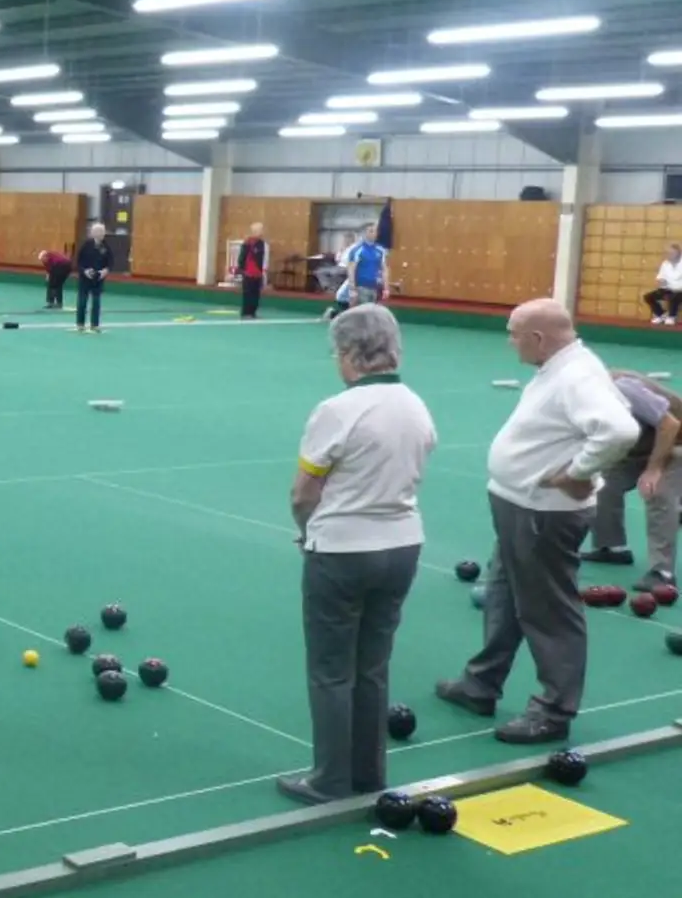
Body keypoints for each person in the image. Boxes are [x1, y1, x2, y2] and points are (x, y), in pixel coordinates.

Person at [436, 299, 639, 743]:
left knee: (549, 611)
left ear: (538, 338)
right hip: (520, 505)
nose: (510, 343)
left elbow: (620, 429)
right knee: (504, 594)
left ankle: (553, 710)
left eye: (513, 334)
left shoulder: (577, 375)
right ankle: (481, 684)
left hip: (543, 514)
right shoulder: (562, 368)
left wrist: (577, 473)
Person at [281, 305, 437, 804]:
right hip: (403, 544)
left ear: (349, 353)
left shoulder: (337, 410)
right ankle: (369, 773)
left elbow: (304, 493)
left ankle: (329, 778)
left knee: (331, 668)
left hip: (344, 549)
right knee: (373, 664)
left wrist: (307, 533)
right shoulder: (416, 404)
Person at [582, 370, 681, 595]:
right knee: (602, 482)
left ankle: (662, 573)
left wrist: (653, 469)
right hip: (643, 443)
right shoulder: (574, 399)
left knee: (659, 492)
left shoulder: (623, 389)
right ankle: (612, 547)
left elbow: (670, 425)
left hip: (676, 439)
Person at [330, 224, 388, 320]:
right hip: (361, 286)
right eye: (371, 231)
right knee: (361, 315)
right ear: (365, 233)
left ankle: (338, 315)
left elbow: (384, 269)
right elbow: (351, 269)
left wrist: (386, 288)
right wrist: (352, 288)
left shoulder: (380, 250)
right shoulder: (357, 250)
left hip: (373, 287)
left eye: (375, 231)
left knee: (370, 314)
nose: (374, 233)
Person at [75, 223, 110, 333]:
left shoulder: (106, 246)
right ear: (93, 233)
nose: (101, 234)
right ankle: (80, 324)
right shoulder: (86, 245)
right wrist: (85, 271)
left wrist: (105, 270)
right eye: (99, 232)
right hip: (85, 278)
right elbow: (78, 262)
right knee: (82, 301)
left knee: (96, 302)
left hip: (98, 279)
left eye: (103, 232)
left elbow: (110, 262)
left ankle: (95, 324)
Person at [645, 242, 682, 324]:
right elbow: (660, 276)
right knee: (648, 297)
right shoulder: (665, 264)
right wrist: (661, 281)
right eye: (668, 253)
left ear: (678, 253)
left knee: (675, 296)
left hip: (680, 290)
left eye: (672, 253)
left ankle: (672, 316)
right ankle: (661, 314)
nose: (669, 255)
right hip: (667, 289)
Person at [239, 222, 269, 319]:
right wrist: (242, 269)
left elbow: (264, 258)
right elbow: (242, 257)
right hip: (248, 272)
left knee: (256, 293)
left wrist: (263, 271)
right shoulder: (247, 243)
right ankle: (245, 312)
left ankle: (252, 312)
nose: (262, 232)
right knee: (248, 293)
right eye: (260, 230)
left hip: (258, 273)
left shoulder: (263, 244)